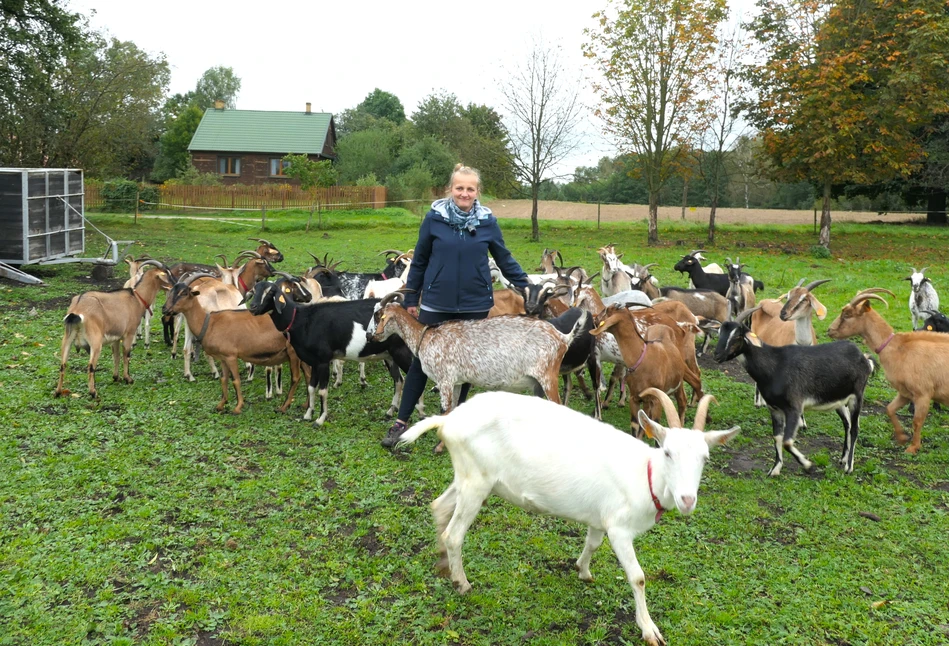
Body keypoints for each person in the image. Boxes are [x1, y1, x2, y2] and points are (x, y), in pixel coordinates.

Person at [380, 163, 530, 448]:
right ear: (451, 189)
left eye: (470, 189)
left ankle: (454, 421)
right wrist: (411, 297)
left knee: (467, 363)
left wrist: (525, 283)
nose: (464, 193)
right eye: (459, 188)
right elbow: (420, 260)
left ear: (477, 192)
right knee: (421, 363)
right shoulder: (434, 219)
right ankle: (401, 422)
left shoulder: (487, 222)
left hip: (474, 303)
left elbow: (503, 257)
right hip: (437, 303)